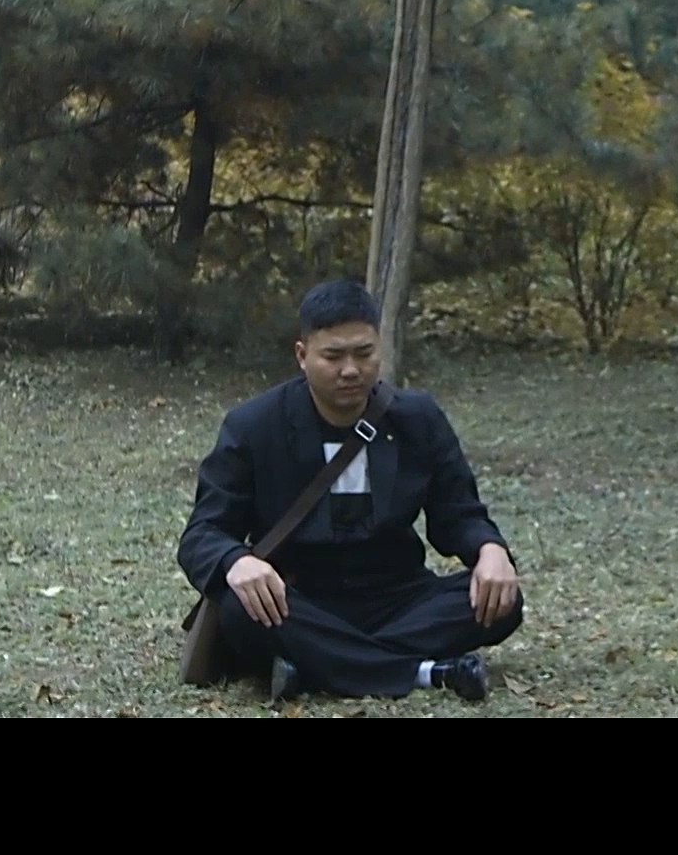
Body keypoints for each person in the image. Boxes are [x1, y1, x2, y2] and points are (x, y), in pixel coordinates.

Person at [176, 279, 525, 703]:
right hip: (298, 600)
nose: (350, 370)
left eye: (364, 353)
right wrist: (236, 561)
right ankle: (425, 672)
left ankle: (315, 667)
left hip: (399, 596)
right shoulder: (254, 426)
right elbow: (203, 533)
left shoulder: (418, 418)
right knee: (240, 608)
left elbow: (458, 513)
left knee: (502, 600)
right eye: (333, 356)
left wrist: (491, 549)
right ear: (302, 355)